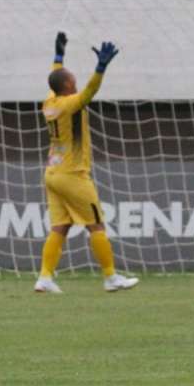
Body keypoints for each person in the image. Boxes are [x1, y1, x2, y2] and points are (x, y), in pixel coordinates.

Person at [34, 31, 139, 294]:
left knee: (61, 225)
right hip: (73, 174)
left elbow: (54, 77)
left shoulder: (50, 101)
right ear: (68, 86)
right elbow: (91, 90)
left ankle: (45, 277)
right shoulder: (71, 104)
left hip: (52, 173)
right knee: (96, 224)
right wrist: (101, 68)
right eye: (72, 78)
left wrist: (58, 55)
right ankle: (110, 277)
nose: (76, 81)